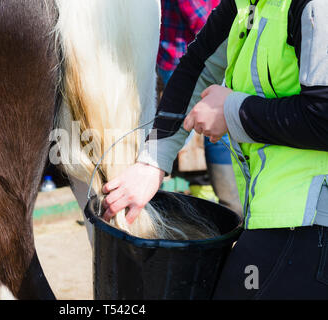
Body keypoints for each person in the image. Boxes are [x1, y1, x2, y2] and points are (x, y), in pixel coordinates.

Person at [103, 0, 328, 299]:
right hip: (276, 219)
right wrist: (152, 163)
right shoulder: (246, 4)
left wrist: (232, 111)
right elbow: (197, 63)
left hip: (312, 227)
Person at [157, 0, 242, 214]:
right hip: (188, 61)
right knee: (213, 129)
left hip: (200, 56)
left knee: (204, 127)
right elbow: (202, 21)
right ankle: (231, 204)